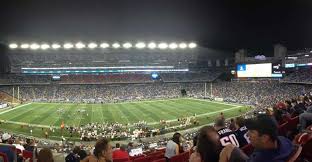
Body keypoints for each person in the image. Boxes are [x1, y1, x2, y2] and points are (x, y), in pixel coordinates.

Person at [219, 114, 294, 162]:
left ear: (265, 138)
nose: (247, 134)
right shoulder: (284, 140)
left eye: (251, 131)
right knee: (229, 147)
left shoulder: (259, 159)